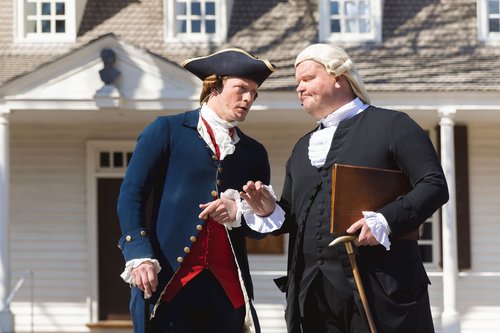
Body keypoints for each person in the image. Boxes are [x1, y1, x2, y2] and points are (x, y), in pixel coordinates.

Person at [241, 44, 449, 333]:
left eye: (307, 78)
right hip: (312, 295)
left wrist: (385, 221)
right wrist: (267, 209)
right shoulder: (301, 148)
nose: (299, 88)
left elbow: (434, 185)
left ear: (339, 77)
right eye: (297, 82)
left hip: (380, 291)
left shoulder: (393, 126)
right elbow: (292, 216)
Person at [116, 48, 281, 333]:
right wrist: (139, 254)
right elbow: (131, 197)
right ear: (213, 86)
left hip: (227, 289)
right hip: (170, 280)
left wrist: (254, 212)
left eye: (254, 93)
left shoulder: (254, 152)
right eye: (241, 89)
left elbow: (255, 232)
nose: (248, 99)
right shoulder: (166, 130)